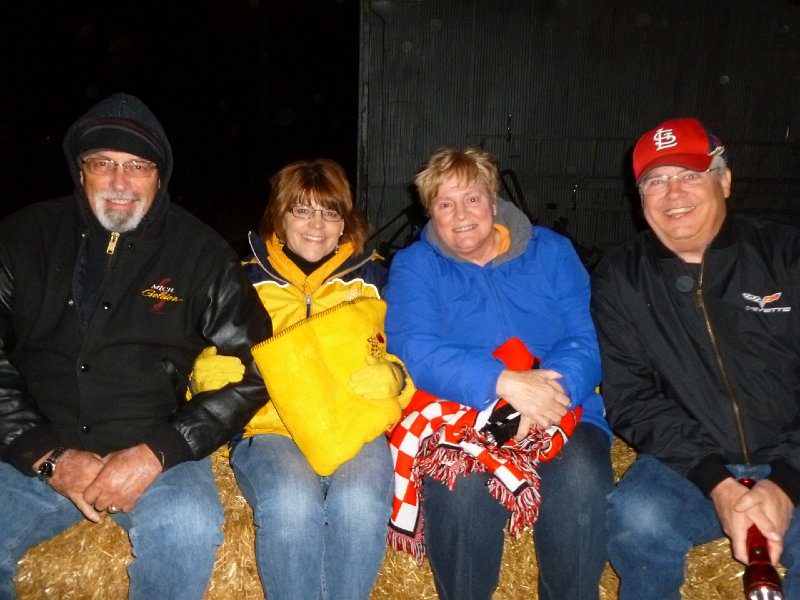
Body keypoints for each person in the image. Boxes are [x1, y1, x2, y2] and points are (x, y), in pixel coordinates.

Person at [0, 92, 272, 600]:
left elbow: (256, 366)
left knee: (188, 528)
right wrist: (46, 455)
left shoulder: (201, 253)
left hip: (154, 451)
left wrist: (162, 450)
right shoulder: (21, 238)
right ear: (80, 171)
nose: (120, 183)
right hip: (32, 448)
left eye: (138, 167)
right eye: (103, 163)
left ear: (159, 177)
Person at [383, 146, 613, 600]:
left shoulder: (552, 252)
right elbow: (416, 347)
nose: (460, 215)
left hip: (561, 404)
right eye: (444, 204)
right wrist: (504, 384)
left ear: (494, 200)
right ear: (430, 211)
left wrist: (549, 394)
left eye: (471, 198)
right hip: (463, 411)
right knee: (460, 489)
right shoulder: (415, 265)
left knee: (582, 478)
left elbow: (584, 337)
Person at [591, 117, 800, 599]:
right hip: (691, 463)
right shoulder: (623, 276)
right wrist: (720, 486)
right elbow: (631, 397)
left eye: (690, 174)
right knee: (635, 518)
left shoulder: (786, 256)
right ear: (639, 197)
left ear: (724, 180)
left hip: (792, 454)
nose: (673, 193)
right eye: (655, 181)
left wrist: (786, 482)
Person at [192, 158, 406, 600]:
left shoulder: (376, 279)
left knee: (361, 504)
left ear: (345, 222)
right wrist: (201, 372)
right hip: (271, 428)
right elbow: (191, 340)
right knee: (292, 505)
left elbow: (415, 348)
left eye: (330, 212)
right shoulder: (241, 277)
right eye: (302, 210)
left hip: (354, 424)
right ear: (279, 216)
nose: (317, 225)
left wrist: (398, 375)